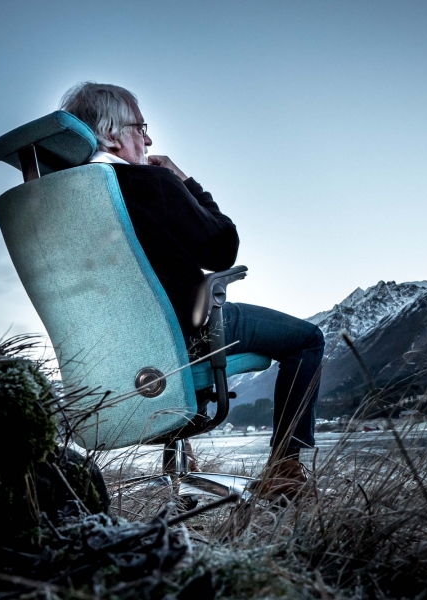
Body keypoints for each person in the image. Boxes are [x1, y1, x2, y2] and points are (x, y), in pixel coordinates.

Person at [60, 82, 324, 498]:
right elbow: (223, 248)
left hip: (115, 352)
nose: (147, 139)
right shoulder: (150, 183)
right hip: (188, 336)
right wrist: (182, 179)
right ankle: (285, 470)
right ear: (110, 136)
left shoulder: (65, 204)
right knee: (308, 340)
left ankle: (178, 465)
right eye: (140, 127)